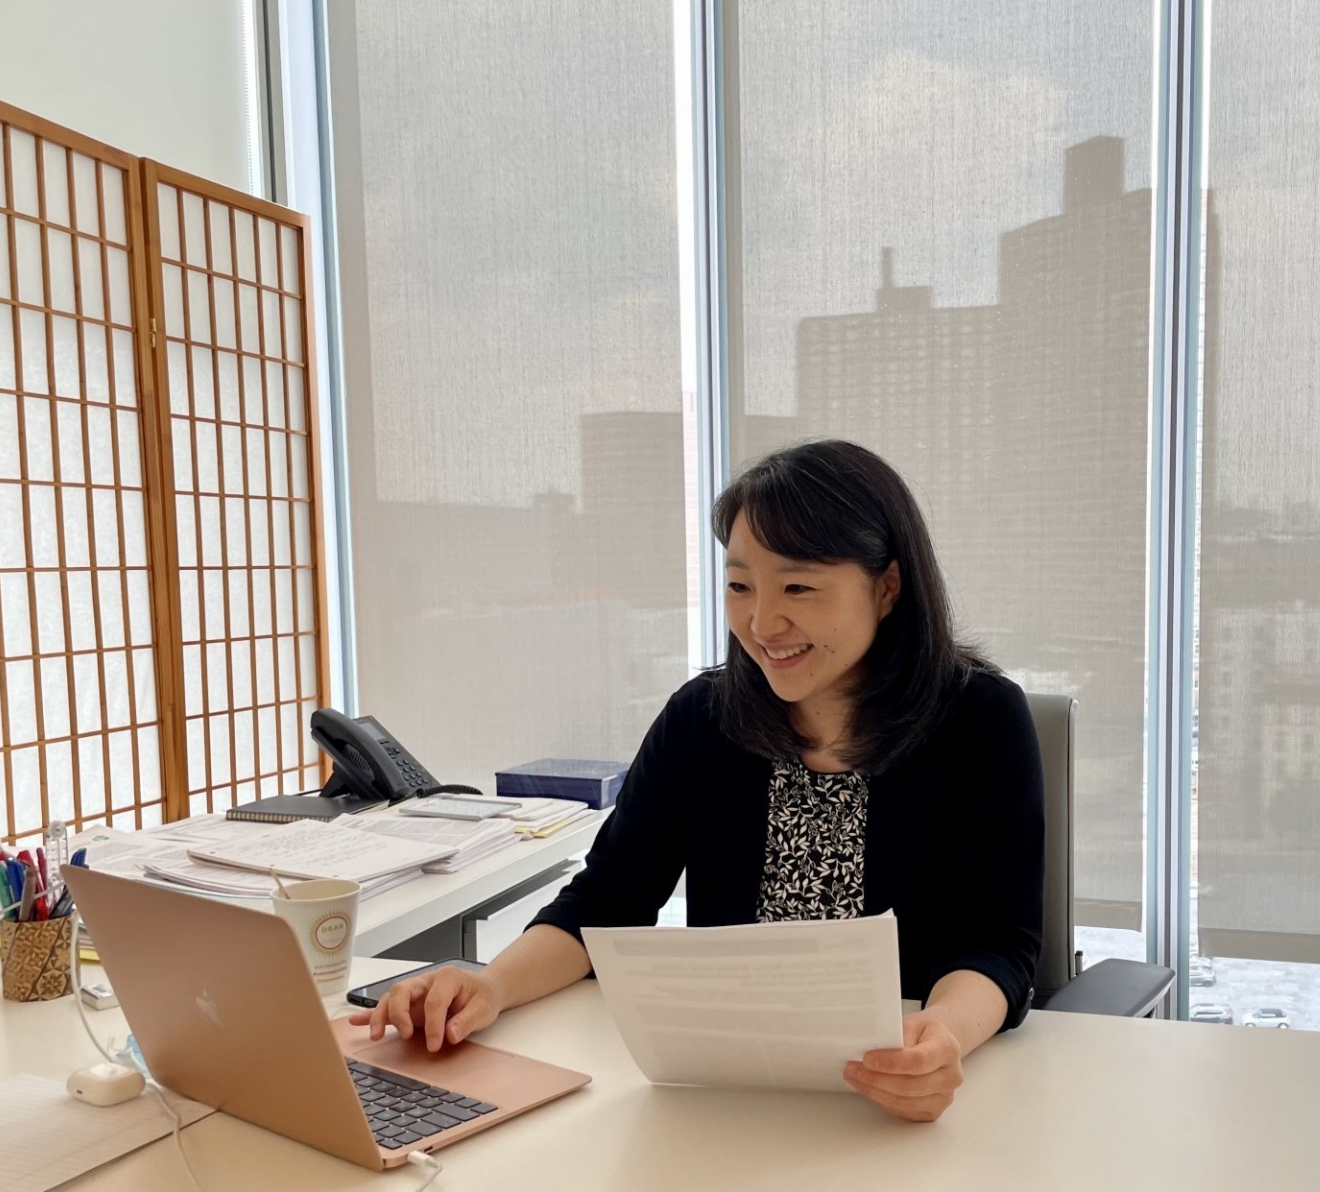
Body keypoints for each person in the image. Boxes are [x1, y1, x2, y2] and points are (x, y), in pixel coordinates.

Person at [352, 440, 1044, 1121]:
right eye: (740, 585)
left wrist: (944, 1036)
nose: (762, 622)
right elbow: (606, 901)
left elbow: (998, 942)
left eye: (798, 586)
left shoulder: (979, 720)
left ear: (887, 587)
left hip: (893, 1095)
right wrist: (489, 986)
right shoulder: (704, 719)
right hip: (731, 1094)